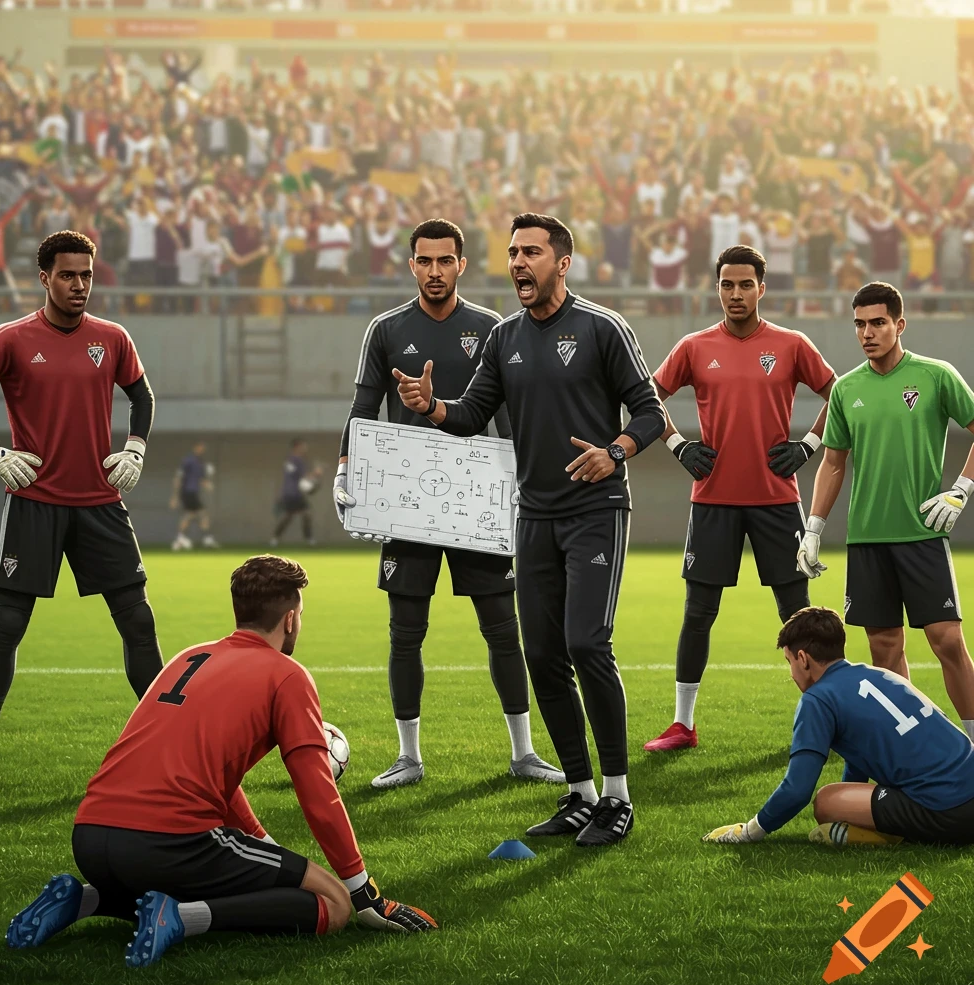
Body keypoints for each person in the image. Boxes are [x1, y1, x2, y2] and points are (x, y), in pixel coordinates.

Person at [5, 556, 436, 968]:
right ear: (289, 619)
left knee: (205, 869)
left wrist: (261, 842)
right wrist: (364, 893)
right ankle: (180, 919)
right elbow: (318, 794)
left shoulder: (189, 657)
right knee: (333, 904)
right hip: (169, 844)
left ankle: (83, 900)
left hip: (90, 836)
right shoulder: (288, 675)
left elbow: (207, 772)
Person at [394, 213, 666, 846]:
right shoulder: (504, 338)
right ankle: (581, 794)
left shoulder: (602, 328)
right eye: (514, 252)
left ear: (562, 263)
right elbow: (471, 415)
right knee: (542, 654)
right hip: (534, 516)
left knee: (587, 644)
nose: (518, 262)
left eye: (532, 252)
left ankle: (618, 798)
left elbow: (650, 412)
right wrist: (430, 407)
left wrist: (614, 452)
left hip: (596, 510)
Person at [335, 218, 563, 790]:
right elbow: (363, 408)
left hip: (476, 500)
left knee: (502, 628)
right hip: (405, 503)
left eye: (445, 261)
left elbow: (507, 414)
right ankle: (408, 757)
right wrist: (345, 469)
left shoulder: (491, 329)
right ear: (411, 264)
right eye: (424, 261)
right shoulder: (386, 330)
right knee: (405, 631)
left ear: (461, 264)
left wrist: (517, 478)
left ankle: (524, 753)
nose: (434, 271)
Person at [0, 230, 162, 791]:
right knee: (8, 625)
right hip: (34, 503)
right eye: (68, 275)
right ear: (44, 278)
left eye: (86, 275)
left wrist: (135, 447)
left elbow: (142, 395)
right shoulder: (11, 338)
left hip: (100, 503)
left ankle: (168, 745)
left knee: (138, 622)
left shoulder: (112, 338)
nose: (79, 285)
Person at [644, 245, 837, 752]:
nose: (735, 293)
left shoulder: (791, 344)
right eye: (727, 284)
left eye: (745, 284)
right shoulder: (693, 346)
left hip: (777, 500)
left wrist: (808, 445)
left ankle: (822, 721)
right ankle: (682, 725)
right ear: (717, 289)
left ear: (761, 289)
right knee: (698, 612)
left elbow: (839, 395)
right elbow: (646, 397)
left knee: (798, 614)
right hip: (713, 499)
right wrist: (678, 444)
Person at [798, 281, 974, 740]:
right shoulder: (846, 389)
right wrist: (813, 528)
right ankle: (918, 746)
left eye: (877, 323)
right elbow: (833, 463)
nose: (867, 333)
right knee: (885, 647)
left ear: (900, 324)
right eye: (859, 324)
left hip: (921, 534)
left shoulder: (936, 376)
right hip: (867, 539)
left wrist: (961, 489)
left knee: (947, 641)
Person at [702, 607, 974, 847]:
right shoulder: (879, 674)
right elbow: (862, 751)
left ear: (803, 658)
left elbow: (798, 790)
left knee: (827, 801)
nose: (791, 673)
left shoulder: (818, 698)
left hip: (948, 811)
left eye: (789, 662)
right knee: (848, 796)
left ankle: (893, 836)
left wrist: (749, 832)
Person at [271, 438, 322, 547]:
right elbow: (301, 477)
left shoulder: (292, 460)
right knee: (295, 515)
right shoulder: (295, 460)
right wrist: (315, 473)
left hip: (295, 493)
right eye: (303, 446)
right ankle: (276, 538)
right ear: (296, 447)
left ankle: (276, 539)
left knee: (299, 515)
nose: (305, 448)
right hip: (293, 493)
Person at [170, 441, 219, 551]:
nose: (202, 449)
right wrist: (175, 497)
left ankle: (180, 538)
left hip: (193, 492)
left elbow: (200, 479)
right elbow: (178, 478)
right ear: (195, 447)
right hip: (188, 492)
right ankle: (206, 538)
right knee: (201, 514)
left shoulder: (200, 462)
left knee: (190, 514)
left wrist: (207, 484)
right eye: (200, 447)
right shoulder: (188, 461)